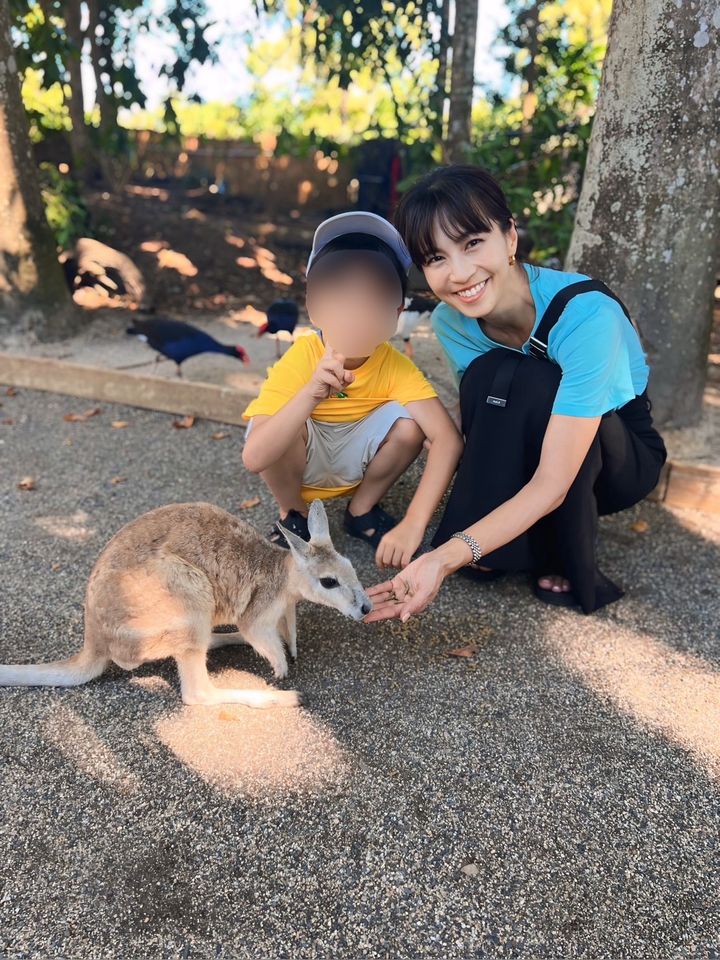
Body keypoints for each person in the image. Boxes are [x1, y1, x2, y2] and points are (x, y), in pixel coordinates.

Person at [365, 165, 667, 622]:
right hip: (542, 438)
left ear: (509, 237)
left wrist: (444, 557)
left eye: (472, 243)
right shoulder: (451, 322)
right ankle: (499, 539)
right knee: (489, 377)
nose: (460, 273)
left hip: (618, 458)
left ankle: (562, 553)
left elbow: (552, 482)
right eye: (436, 258)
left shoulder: (587, 316)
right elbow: (483, 412)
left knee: (536, 380)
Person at [241, 211, 464, 569]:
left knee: (412, 425)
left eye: (374, 297)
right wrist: (312, 392)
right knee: (278, 421)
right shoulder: (302, 357)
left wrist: (414, 523)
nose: (357, 313)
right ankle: (294, 514)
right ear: (314, 306)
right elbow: (254, 458)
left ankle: (361, 510)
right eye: (341, 295)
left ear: (396, 312)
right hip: (304, 459)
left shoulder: (396, 366)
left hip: (358, 458)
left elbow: (448, 439)